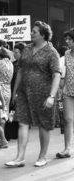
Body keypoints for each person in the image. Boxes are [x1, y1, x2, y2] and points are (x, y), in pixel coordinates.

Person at [5, 21, 61, 167]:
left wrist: (52, 96)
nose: (31, 33)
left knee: (44, 124)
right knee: (22, 122)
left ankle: (42, 157)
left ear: (43, 35)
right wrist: (14, 91)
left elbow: (56, 75)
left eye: (34, 32)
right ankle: (19, 157)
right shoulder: (27, 49)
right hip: (24, 92)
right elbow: (21, 71)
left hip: (43, 94)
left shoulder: (51, 52)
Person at [56, 30, 74, 158]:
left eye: (69, 39)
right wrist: (60, 86)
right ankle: (67, 149)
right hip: (68, 90)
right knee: (67, 119)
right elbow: (65, 72)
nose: (66, 41)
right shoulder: (67, 54)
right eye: (66, 39)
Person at [0, 48, 13, 128]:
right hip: (8, 88)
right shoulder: (10, 63)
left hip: (0, 89)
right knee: (5, 110)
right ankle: (3, 132)